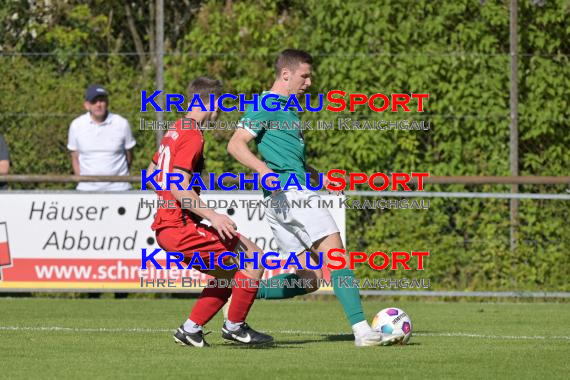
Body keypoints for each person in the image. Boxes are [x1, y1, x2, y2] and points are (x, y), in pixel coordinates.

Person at [227, 49, 404, 346]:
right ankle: (363, 331)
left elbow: (291, 160)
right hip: (291, 194)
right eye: (304, 76)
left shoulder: (287, 108)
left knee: (309, 279)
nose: (309, 82)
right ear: (286, 74)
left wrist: (320, 178)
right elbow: (235, 144)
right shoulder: (266, 104)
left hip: (282, 199)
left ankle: (238, 294)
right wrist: (261, 169)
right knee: (336, 255)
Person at [146, 77, 273, 347]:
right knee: (253, 259)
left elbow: (150, 175)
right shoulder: (192, 135)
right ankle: (235, 327)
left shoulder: (176, 129)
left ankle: (190, 330)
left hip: (170, 226)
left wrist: (170, 198)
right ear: (212, 103)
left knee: (231, 272)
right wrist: (213, 216)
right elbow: (179, 190)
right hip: (179, 227)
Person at [67, 84, 136, 191]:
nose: (98, 105)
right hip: (87, 190)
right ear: (86, 105)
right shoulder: (76, 125)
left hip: (119, 189)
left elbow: (129, 155)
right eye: (94, 101)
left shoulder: (121, 123)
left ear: (107, 103)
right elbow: (74, 156)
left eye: (102, 100)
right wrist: (82, 181)